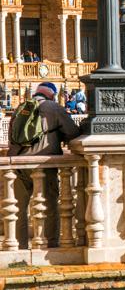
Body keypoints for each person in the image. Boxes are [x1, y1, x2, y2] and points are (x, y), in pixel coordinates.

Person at [8, 82, 81, 249]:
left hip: (18, 165)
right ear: (53, 95)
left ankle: (20, 246)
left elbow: (12, 137)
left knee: (19, 208)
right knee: (49, 205)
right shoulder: (53, 107)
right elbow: (72, 133)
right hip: (43, 164)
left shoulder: (20, 107)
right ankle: (50, 245)